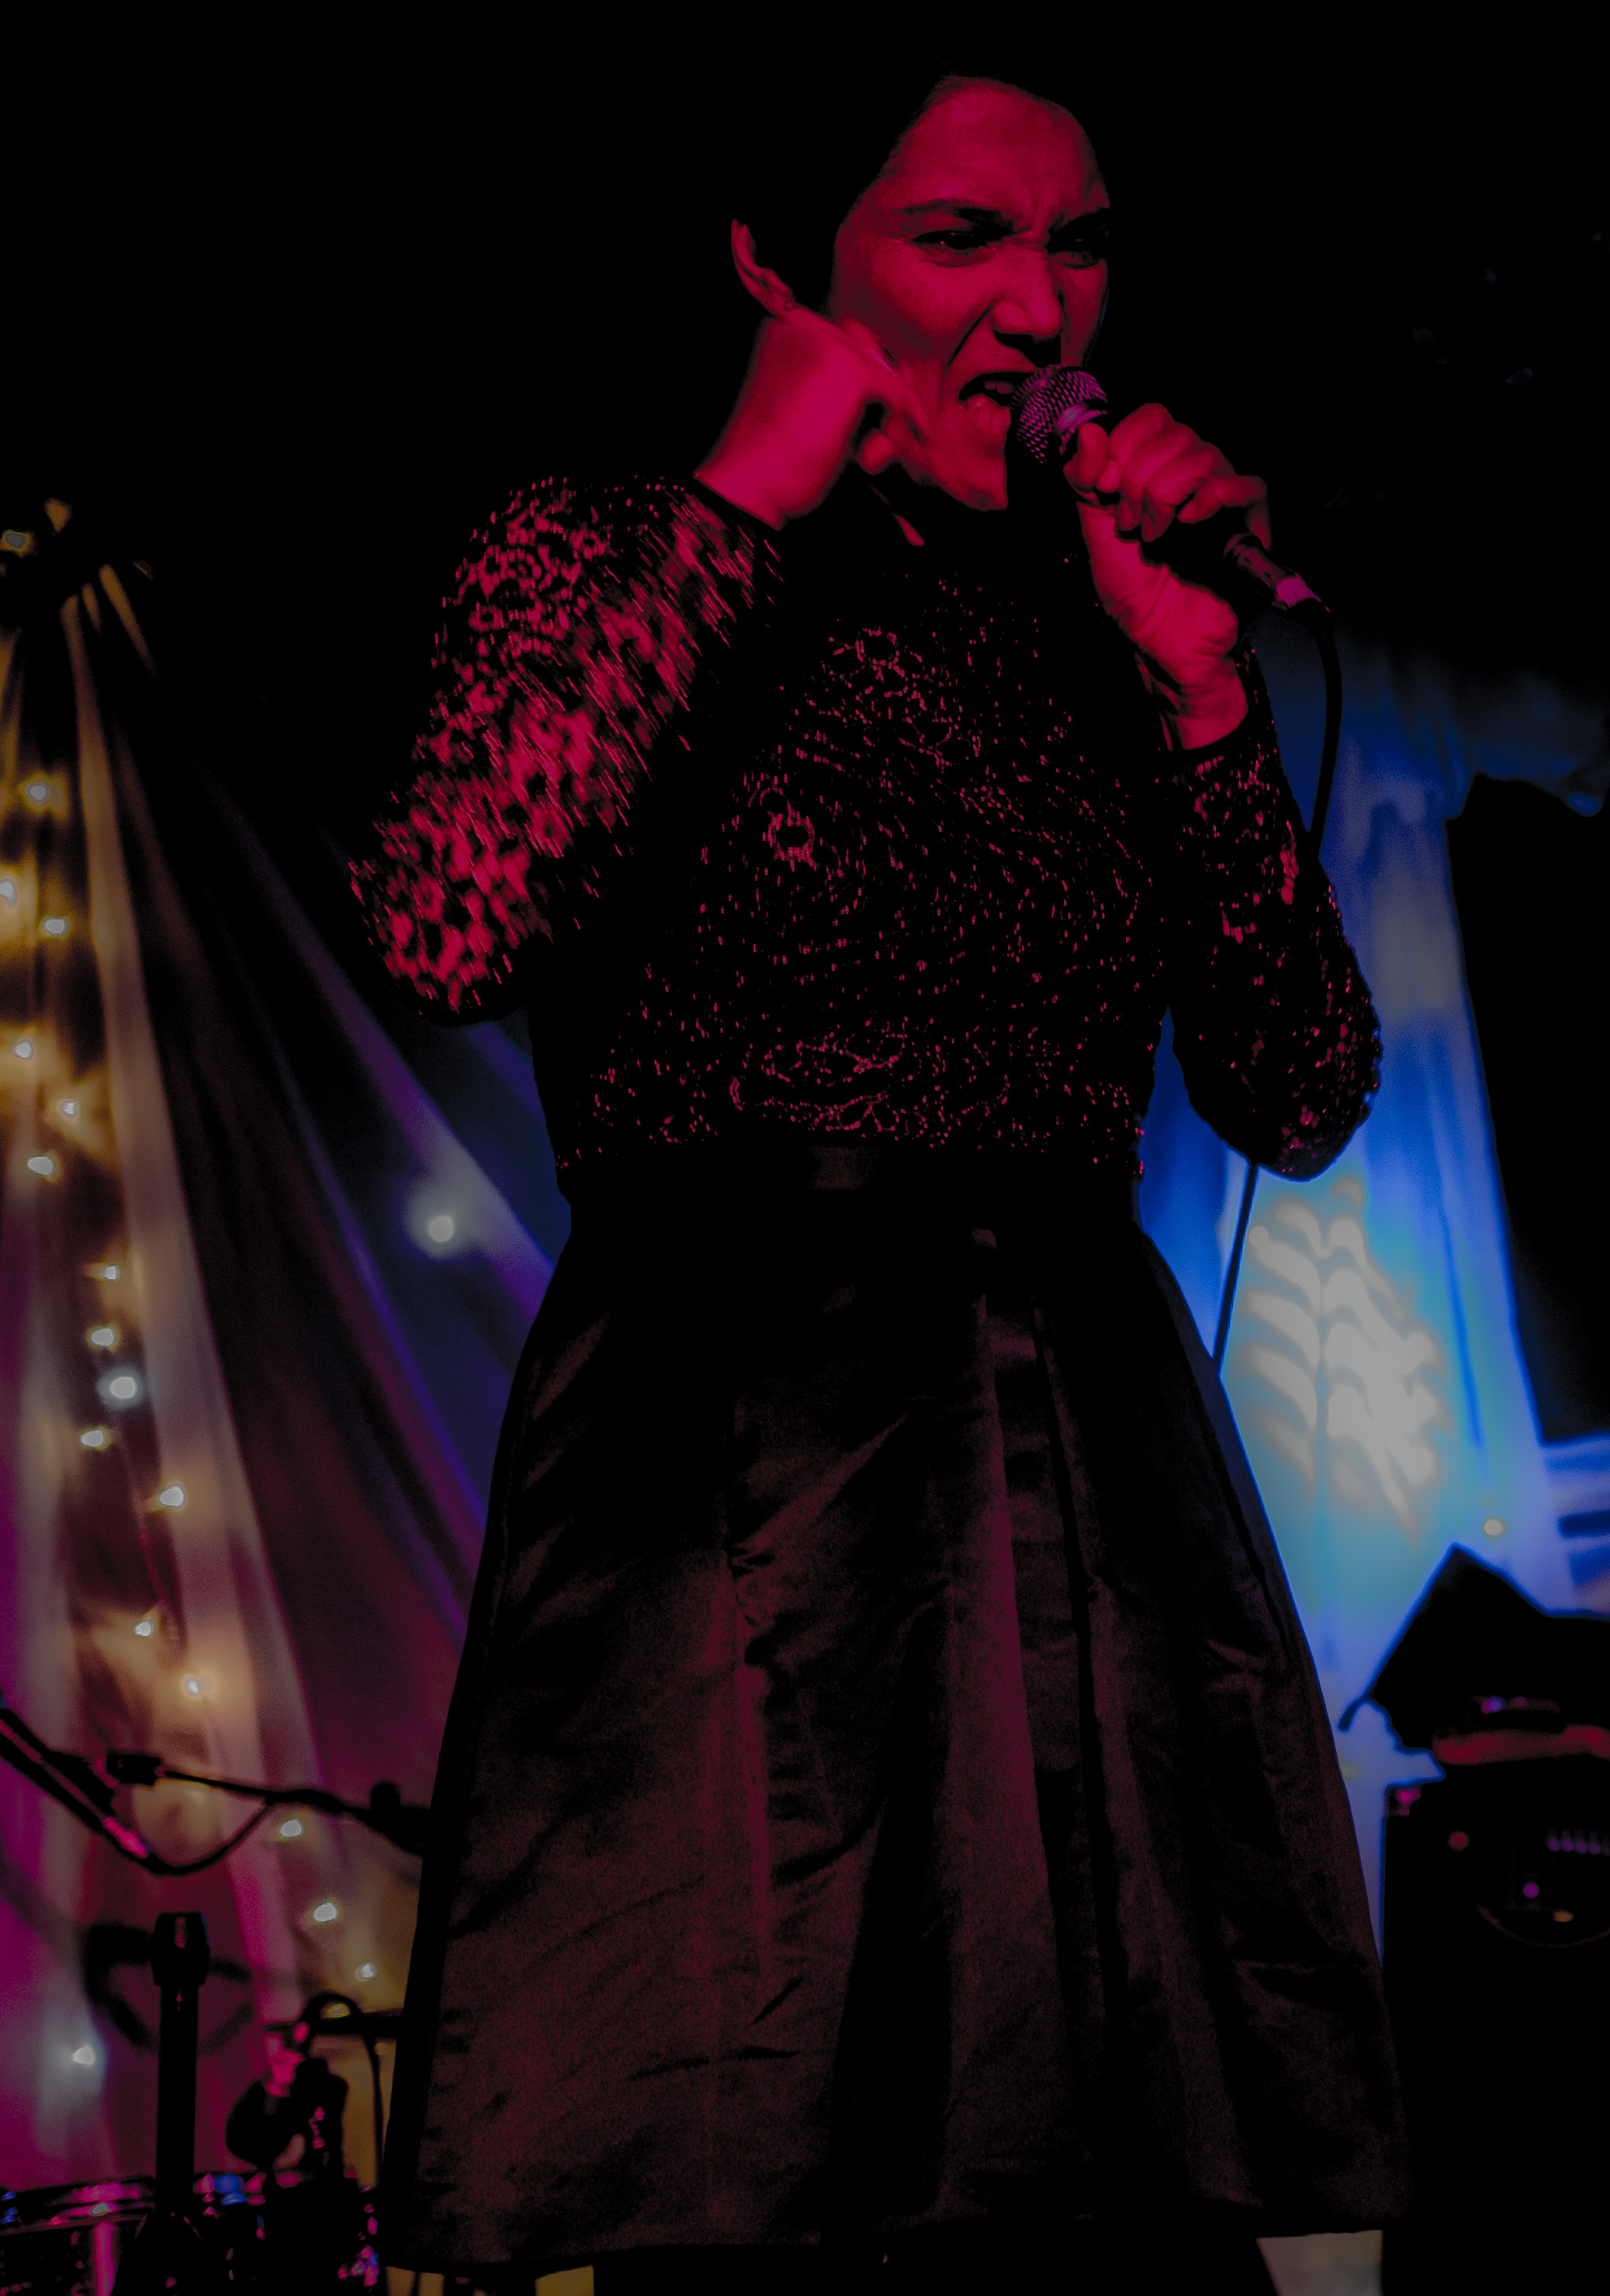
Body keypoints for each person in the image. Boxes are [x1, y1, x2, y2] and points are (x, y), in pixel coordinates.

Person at [355, 57, 1409, 2296]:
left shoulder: (1094, 627)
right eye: (960, 238)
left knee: (1120, 2217)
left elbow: (1303, 1090)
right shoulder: (606, 546)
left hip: (1088, 1471)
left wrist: (1201, 698)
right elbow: (447, 919)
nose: (1040, 307)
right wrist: (747, 490)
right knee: (779, 2182)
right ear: (779, 266)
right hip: (749, 1462)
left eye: (1080, 244)